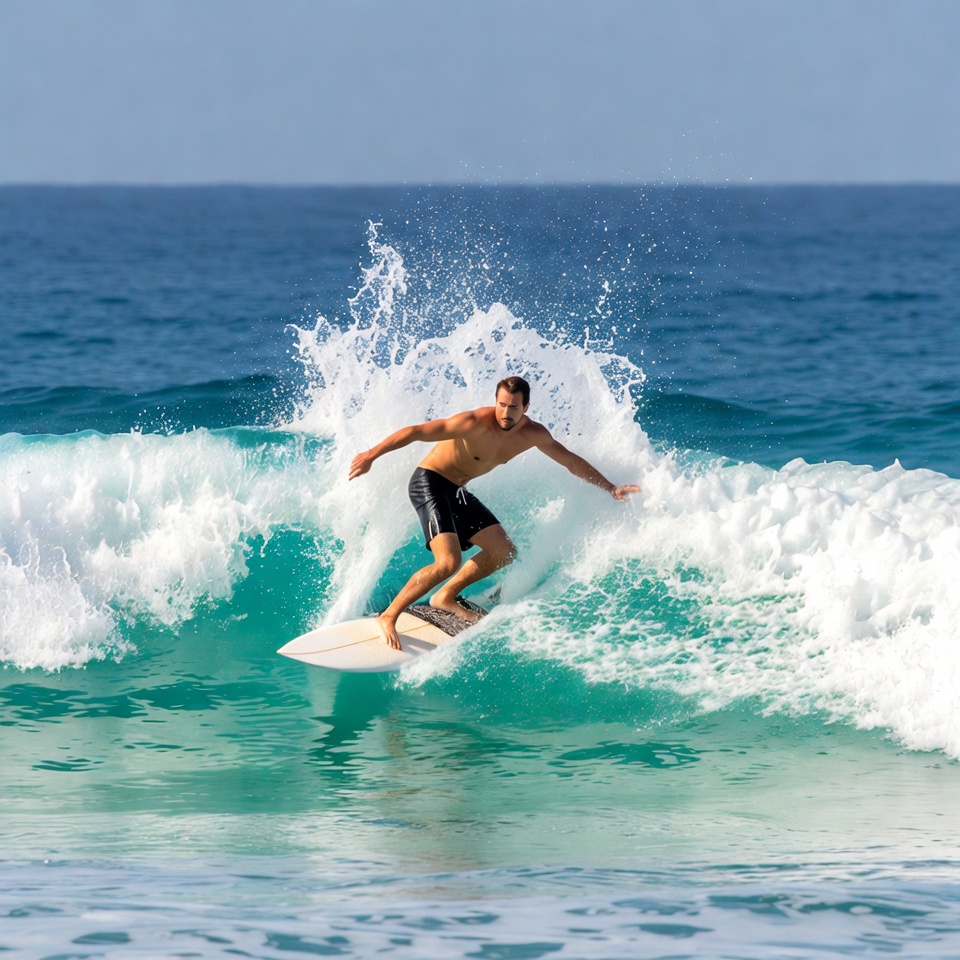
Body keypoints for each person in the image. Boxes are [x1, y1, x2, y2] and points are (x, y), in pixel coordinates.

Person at [348, 375, 641, 649]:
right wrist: (371, 455)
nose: (505, 412)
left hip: (457, 490)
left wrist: (610, 488)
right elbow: (416, 432)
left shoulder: (534, 434)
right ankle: (388, 615)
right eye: (501, 404)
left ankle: (445, 597)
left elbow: (570, 461)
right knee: (448, 562)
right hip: (431, 482)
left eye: (513, 407)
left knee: (503, 552)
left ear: (526, 407)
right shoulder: (473, 422)